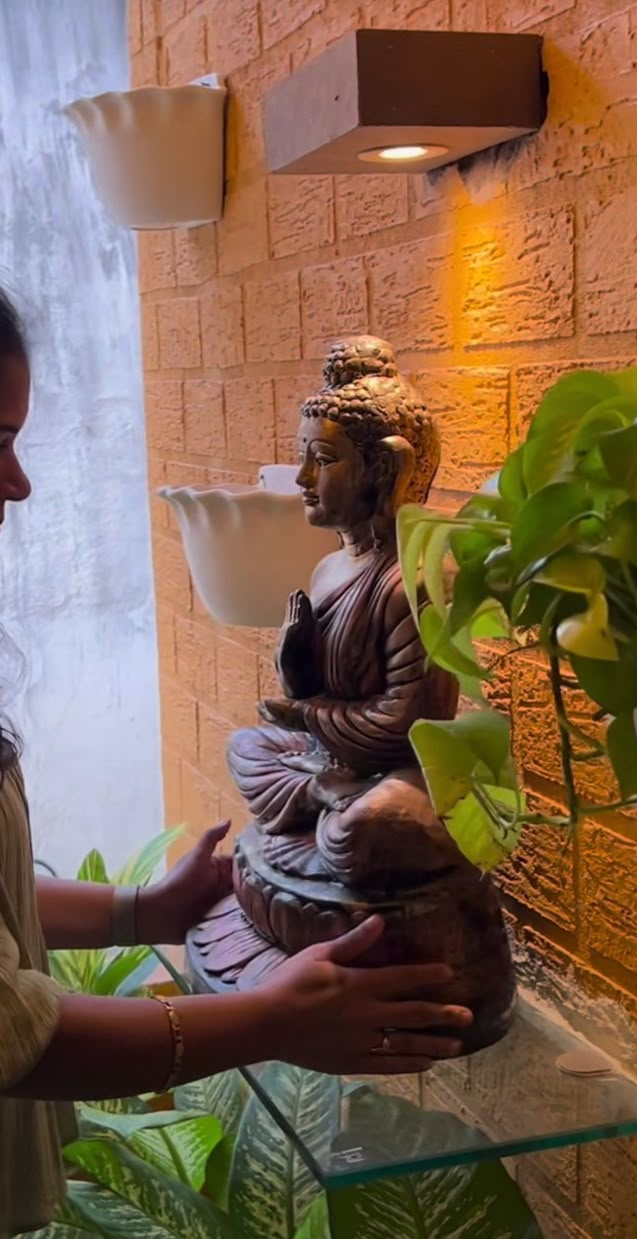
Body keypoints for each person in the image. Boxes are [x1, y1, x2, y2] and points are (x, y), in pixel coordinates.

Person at [0, 289, 472, 1236]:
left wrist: (145, 909)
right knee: (266, 760)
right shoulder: (337, 573)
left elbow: (406, 719)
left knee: (378, 820)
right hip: (333, 769)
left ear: (379, 474)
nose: (20, 484)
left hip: (362, 772)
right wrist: (269, 1019)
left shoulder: (406, 576)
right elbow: (14, 1031)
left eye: (322, 458)